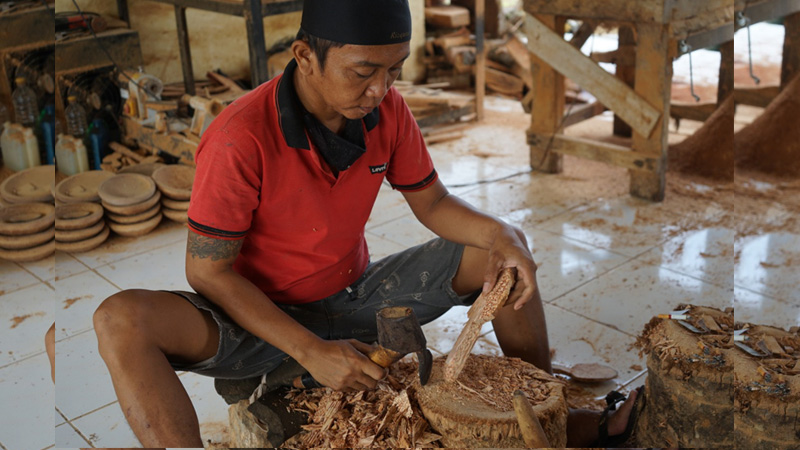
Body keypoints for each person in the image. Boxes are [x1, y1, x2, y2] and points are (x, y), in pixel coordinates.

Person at [92, 0, 637, 447]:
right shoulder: (241, 136)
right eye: (363, 72)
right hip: (262, 316)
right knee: (121, 320)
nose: (381, 90)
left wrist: (505, 235)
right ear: (305, 56)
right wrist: (307, 349)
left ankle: (548, 411)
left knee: (502, 262)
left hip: (354, 296)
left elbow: (433, 202)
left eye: (394, 70)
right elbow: (208, 274)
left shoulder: (388, 111)